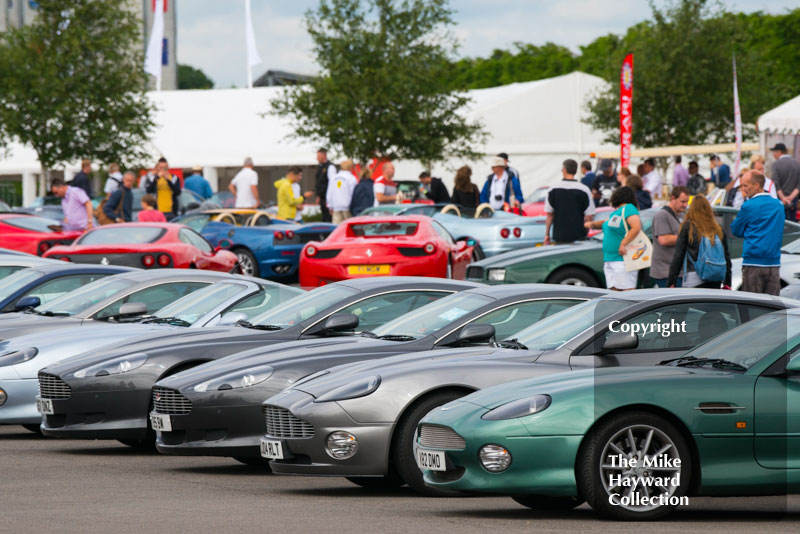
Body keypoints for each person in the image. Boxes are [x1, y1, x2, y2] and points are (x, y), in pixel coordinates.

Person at [731, 171, 784, 295]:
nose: (743, 189)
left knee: (753, 307)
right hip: (774, 262)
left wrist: (751, 232)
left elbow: (736, 230)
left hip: (753, 262)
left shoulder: (748, 206)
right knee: (773, 308)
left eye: (745, 185)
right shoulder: (778, 205)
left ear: (756, 185)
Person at [667, 195, 732, 289]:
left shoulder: (688, 227)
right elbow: (726, 256)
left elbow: (678, 255)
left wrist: (671, 281)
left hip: (694, 277)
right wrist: (727, 282)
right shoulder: (717, 228)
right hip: (715, 277)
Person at [584, 186, 641, 290]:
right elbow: (605, 223)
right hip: (610, 259)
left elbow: (636, 227)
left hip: (622, 259)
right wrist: (591, 224)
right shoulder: (617, 212)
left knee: (627, 294)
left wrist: (623, 243)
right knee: (614, 294)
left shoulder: (629, 208)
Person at [543, 159, 595, 245]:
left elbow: (549, 215)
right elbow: (589, 216)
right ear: (575, 170)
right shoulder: (584, 189)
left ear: (564, 170)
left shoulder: (553, 189)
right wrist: (586, 233)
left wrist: (547, 234)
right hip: (579, 236)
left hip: (559, 235)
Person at [649, 186, 689, 287]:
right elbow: (663, 240)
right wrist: (687, 237)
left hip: (678, 271)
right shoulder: (662, 215)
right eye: (682, 201)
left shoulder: (680, 215)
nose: (685, 205)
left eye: (687, 202)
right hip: (665, 272)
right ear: (672, 198)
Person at [770, 142, 800, 221]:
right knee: (792, 226)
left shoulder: (776, 164)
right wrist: (791, 197)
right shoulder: (797, 164)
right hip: (793, 200)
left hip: (780, 200)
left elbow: (776, 183)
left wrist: (783, 198)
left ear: (779, 152)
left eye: (774, 152)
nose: (773, 155)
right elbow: (799, 185)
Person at [315, 148, 336, 222]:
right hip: (322, 197)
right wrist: (318, 195)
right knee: (324, 216)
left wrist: (330, 198)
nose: (317, 158)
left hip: (327, 197)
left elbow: (332, 183)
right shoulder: (320, 167)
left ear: (324, 155)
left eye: (318, 156)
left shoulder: (330, 167)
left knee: (328, 217)